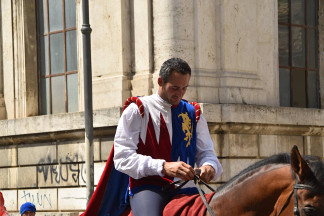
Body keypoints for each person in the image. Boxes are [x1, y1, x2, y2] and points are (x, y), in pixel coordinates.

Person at [114, 57, 223, 216]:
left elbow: (207, 152)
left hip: (187, 188)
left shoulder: (193, 113)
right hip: (148, 187)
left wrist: (209, 166)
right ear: (160, 81)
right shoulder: (137, 110)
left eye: (185, 88)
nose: (180, 94)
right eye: (175, 88)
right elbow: (122, 158)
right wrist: (164, 167)